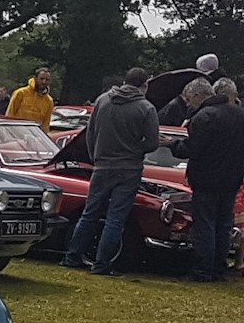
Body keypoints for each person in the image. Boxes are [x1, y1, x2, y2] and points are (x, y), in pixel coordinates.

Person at [62, 68, 160, 275]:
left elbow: (90, 133)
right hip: (129, 168)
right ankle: (102, 263)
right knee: (116, 218)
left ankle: (72, 256)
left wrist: (95, 155)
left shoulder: (103, 101)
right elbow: (152, 143)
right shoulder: (146, 108)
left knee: (90, 213)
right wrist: (135, 148)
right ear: (145, 84)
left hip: (102, 165)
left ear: (125, 80)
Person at [183, 76, 244, 282]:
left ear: (199, 96)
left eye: (189, 99)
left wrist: (172, 144)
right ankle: (219, 267)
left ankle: (203, 268)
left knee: (205, 223)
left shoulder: (204, 117)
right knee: (224, 223)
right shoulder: (239, 115)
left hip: (206, 178)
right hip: (232, 178)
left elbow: (193, 149)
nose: (188, 104)